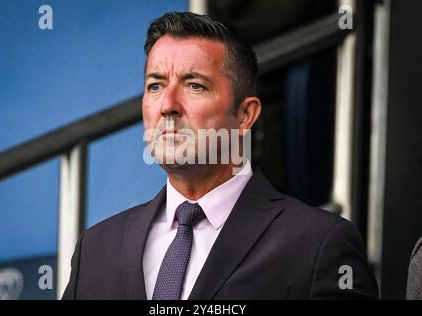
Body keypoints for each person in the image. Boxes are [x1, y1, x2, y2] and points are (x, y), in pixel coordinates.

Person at [62, 12, 378, 300]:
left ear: (245, 115)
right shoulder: (96, 248)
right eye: (155, 85)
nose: (168, 104)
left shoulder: (318, 244)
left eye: (194, 85)